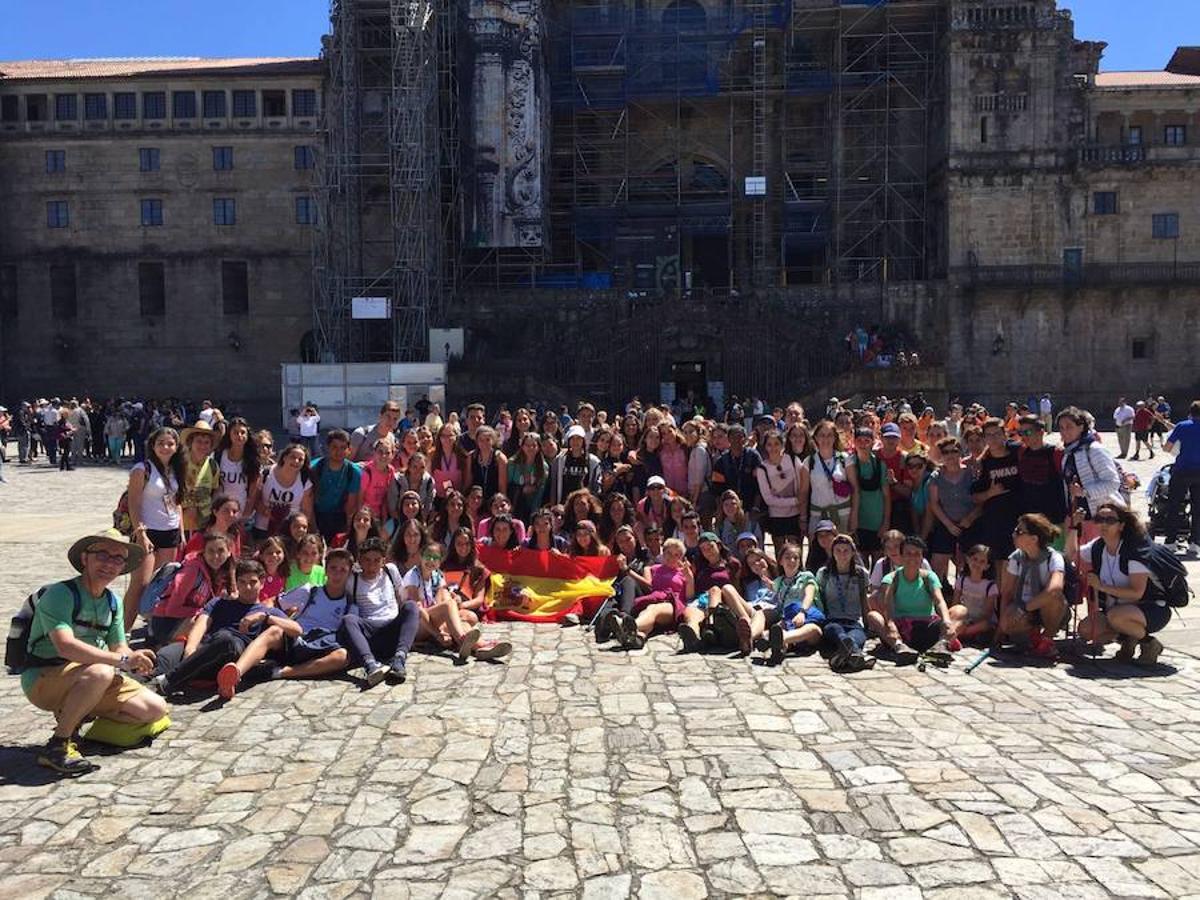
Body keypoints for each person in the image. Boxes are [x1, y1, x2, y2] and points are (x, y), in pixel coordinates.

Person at [20, 528, 167, 775]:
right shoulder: (60, 594)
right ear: (84, 559)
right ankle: (58, 745)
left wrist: (134, 657)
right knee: (101, 672)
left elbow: (119, 646)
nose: (110, 563)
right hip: (45, 678)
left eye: (117, 558)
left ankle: (78, 717)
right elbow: (65, 646)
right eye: (102, 555)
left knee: (155, 709)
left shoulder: (113, 602)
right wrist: (120, 659)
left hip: (90, 676)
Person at [151, 558, 290, 697]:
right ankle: (146, 685)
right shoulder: (219, 602)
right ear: (236, 582)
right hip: (205, 648)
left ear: (262, 583)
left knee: (226, 641)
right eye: (242, 582)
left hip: (230, 657)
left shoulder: (267, 612)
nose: (247, 587)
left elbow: (296, 630)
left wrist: (266, 618)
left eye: (253, 582)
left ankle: (170, 681)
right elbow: (202, 624)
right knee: (165, 655)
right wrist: (190, 649)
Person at [1079, 503, 1170, 666]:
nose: (1103, 524)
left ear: (1121, 525)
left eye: (1110, 520)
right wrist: (1073, 528)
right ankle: (1128, 639)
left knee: (1115, 616)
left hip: (1151, 608)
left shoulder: (1134, 551)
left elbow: (1136, 593)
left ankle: (1149, 643)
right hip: (1118, 609)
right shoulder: (1098, 546)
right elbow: (1073, 555)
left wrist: (1101, 587)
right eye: (1099, 519)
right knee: (1086, 629)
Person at [122, 426, 186, 628]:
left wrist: (181, 532)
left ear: (176, 447)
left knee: (161, 584)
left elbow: (177, 503)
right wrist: (140, 532)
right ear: (153, 445)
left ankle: (152, 627)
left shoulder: (176, 470)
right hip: (147, 531)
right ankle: (122, 630)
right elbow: (134, 503)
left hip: (170, 531)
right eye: (161, 443)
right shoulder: (142, 469)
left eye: (170, 443)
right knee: (140, 584)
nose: (165, 447)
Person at [407, 542, 511, 660]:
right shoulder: (413, 576)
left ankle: (481, 647)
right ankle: (461, 640)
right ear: (421, 556)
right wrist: (438, 634)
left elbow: (441, 599)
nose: (431, 560)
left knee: (469, 617)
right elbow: (418, 612)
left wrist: (455, 599)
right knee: (449, 607)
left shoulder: (437, 576)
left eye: (435, 558)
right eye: (428, 556)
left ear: (440, 561)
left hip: (431, 620)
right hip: (417, 626)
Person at [869, 535, 955, 665]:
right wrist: (891, 625)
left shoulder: (929, 577)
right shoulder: (891, 578)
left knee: (960, 611)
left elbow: (939, 601)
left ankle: (941, 644)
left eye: (917, 554)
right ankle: (899, 646)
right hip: (901, 629)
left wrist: (946, 621)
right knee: (873, 616)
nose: (912, 558)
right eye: (908, 553)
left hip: (927, 625)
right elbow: (887, 605)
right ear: (902, 556)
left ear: (921, 557)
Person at [997, 513, 1068, 659]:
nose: (1013, 534)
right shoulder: (1016, 558)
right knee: (1007, 623)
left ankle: (1048, 638)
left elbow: (1055, 588)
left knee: (1054, 598)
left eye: (1019, 532)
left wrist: (1026, 608)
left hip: (1046, 607)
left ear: (1034, 539)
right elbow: (1007, 592)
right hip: (1024, 605)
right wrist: (1001, 627)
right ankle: (1034, 636)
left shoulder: (1053, 558)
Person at [604, 537, 693, 650]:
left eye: (677, 555)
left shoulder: (683, 573)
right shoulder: (652, 569)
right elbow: (648, 585)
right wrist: (627, 570)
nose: (672, 558)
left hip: (671, 603)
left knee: (652, 609)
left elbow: (689, 596)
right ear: (663, 553)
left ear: (681, 558)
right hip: (653, 598)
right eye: (669, 553)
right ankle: (637, 638)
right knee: (646, 614)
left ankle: (626, 626)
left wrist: (689, 578)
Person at [813, 533, 874, 672]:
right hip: (832, 620)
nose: (842, 554)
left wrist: (868, 623)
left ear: (853, 552)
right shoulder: (824, 573)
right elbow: (820, 598)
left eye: (846, 550)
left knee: (857, 637)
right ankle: (857, 655)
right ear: (832, 552)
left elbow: (864, 599)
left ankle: (844, 655)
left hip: (854, 622)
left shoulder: (861, 574)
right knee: (837, 631)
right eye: (838, 551)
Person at [972, 418, 1023, 582]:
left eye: (997, 434)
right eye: (989, 435)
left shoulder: (1018, 452)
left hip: (1019, 518)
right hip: (995, 519)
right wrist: (990, 493)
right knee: (998, 563)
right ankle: (1000, 603)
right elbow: (974, 496)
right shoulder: (984, 463)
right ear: (984, 438)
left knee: (1019, 561)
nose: (993, 438)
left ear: (1005, 435)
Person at [927, 438, 978, 582]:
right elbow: (934, 503)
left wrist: (970, 518)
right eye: (946, 452)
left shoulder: (971, 474)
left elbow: (980, 500)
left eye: (954, 451)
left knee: (967, 563)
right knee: (937, 562)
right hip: (946, 523)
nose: (950, 455)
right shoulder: (936, 477)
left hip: (970, 523)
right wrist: (949, 525)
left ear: (960, 452)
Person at [755, 430, 807, 550]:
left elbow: (801, 488)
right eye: (769, 444)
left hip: (795, 515)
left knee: (796, 550)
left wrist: (801, 512)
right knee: (780, 552)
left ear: (782, 444)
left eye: (776, 443)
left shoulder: (793, 461)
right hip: (776, 517)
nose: (773, 448)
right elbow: (769, 499)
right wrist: (794, 501)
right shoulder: (762, 469)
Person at [310, 430, 362, 543]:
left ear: (349, 450)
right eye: (334, 447)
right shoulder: (314, 468)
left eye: (343, 447)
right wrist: (313, 528)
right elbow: (308, 499)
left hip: (339, 517)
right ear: (328, 447)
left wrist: (347, 531)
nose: (339, 451)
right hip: (317, 515)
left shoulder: (353, 472)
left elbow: (351, 505)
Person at [1164, 400, 1200, 556]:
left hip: (1182, 470)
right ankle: (1195, 543)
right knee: (1198, 508)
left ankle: (1171, 541)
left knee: (1174, 505)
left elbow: (1167, 448)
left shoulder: (1182, 426)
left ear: (1190, 412)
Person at [947, 544, 998, 646]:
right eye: (975, 559)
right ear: (968, 559)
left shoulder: (990, 586)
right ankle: (958, 635)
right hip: (965, 617)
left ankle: (959, 634)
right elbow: (955, 604)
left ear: (987, 566)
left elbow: (987, 613)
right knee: (955, 616)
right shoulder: (961, 580)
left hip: (980, 621)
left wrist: (970, 624)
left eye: (982, 561)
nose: (977, 564)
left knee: (985, 625)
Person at [178, 421, 220, 537]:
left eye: (207, 442)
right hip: (180, 524)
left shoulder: (213, 465)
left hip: (203, 524)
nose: (203, 446)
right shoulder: (180, 463)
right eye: (199, 441)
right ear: (191, 442)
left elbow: (215, 490)